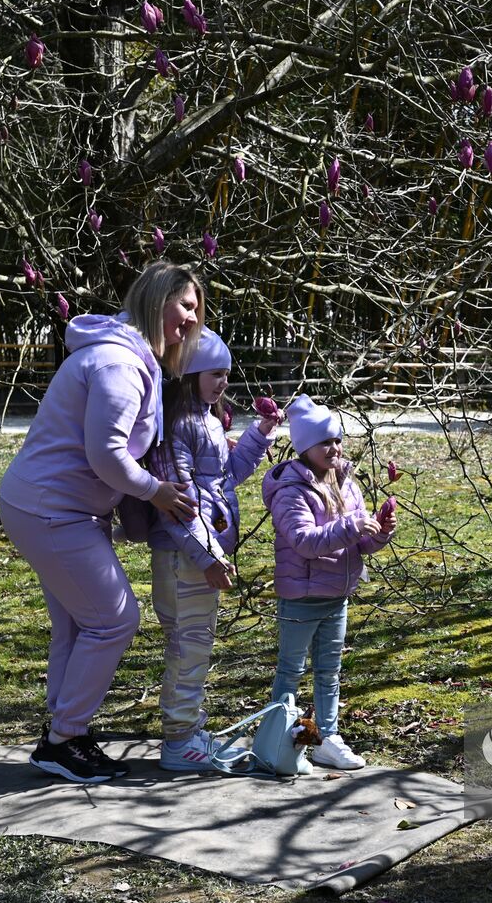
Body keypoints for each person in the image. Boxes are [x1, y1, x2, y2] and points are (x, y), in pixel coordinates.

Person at [0, 261, 203, 783]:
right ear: (158, 300)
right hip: (51, 510)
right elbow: (106, 453)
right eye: (185, 304)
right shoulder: (119, 364)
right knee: (113, 619)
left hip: (53, 507)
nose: (192, 317)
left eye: (196, 309)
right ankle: (64, 738)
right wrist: (156, 492)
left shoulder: (129, 358)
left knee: (76, 621)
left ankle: (64, 732)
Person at [146, 330, 281, 771]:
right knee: (189, 647)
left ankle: (188, 729)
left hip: (200, 556)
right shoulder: (177, 425)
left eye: (226, 374)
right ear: (188, 374)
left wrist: (259, 435)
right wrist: (209, 556)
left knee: (194, 645)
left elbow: (224, 478)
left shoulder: (204, 418)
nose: (223, 382)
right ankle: (179, 741)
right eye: (214, 374)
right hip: (186, 557)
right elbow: (179, 504)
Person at [261, 394, 397, 770]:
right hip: (302, 596)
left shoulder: (346, 483)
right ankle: (277, 738)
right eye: (325, 442)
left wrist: (379, 532)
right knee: (290, 669)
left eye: (337, 439)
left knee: (329, 670)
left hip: (338, 594)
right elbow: (304, 542)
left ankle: (329, 738)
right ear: (305, 446)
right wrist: (351, 526)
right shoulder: (291, 491)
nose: (334, 448)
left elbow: (360, 542)